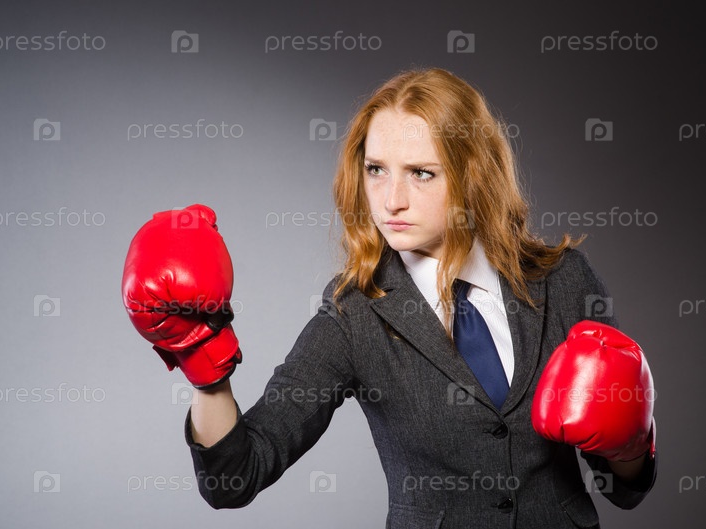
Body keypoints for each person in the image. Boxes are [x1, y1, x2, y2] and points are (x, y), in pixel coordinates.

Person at [122, 67, 657, 528]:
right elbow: (235, 479)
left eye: (421, 173)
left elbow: (625, 490)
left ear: (474, 177)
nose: (391, 200)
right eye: (376, 169)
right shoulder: (354, 311)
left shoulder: (563, 280)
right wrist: (202, 357)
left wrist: (631, 444)